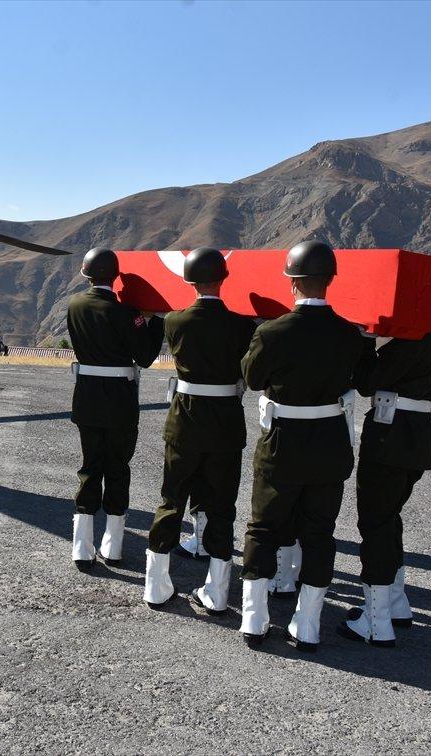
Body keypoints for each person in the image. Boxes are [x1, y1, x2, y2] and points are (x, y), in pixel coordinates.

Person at [238, 241, 373, 652]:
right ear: (331, 280)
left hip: (282, 445)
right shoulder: (352, 335)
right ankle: (308, 624)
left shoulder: (272, 331)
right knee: (320, 534)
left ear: (292, 281)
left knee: (262, 528)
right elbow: (365, 384)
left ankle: (254, 618)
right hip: (329, 447)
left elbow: (254, 378)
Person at [339, 263, 431, 647]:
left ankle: (375, 621)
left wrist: (361, 339)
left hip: (391, 436)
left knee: (374, 523)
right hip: (418, 436)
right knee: (389, 519)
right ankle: (396, 601)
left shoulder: (414, 338)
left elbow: (366, 382)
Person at [144, 248, 256, 611]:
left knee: (171, 500)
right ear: (223, 279)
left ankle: (156, 586)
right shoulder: (243, 326)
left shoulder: (174, 321)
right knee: (222, 506)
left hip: (185, 422)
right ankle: (218, 593)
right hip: (224, 424)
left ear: (189, 282)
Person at [66, 248, 165, 573]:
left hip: (88, 399)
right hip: (120, 402)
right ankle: (113, 545)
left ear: (87, 273)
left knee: (89, 467)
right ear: (115, 276)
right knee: (118, 468)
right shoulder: (127, 313)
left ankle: (82, 547)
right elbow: (147, 357)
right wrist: (153, 322)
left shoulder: (75, 305)